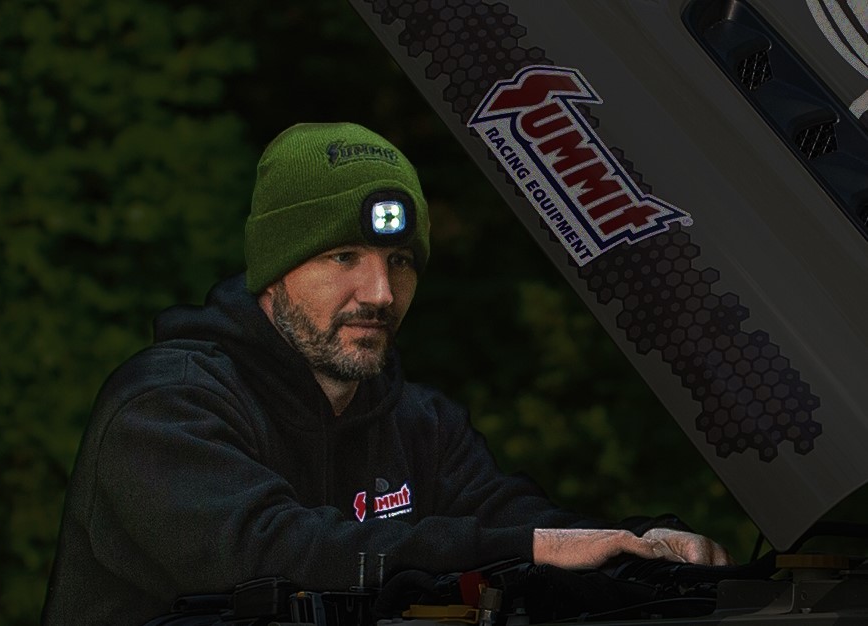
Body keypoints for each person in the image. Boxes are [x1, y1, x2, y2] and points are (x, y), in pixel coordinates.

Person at [42, 122, 729, 625]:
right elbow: (273, 551)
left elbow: (514, 523)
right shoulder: (165, 406)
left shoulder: (416, 420)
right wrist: (534, 546)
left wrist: (638, 550)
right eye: (343, 256)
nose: (379, 291)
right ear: (273, 272)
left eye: (399, 261)